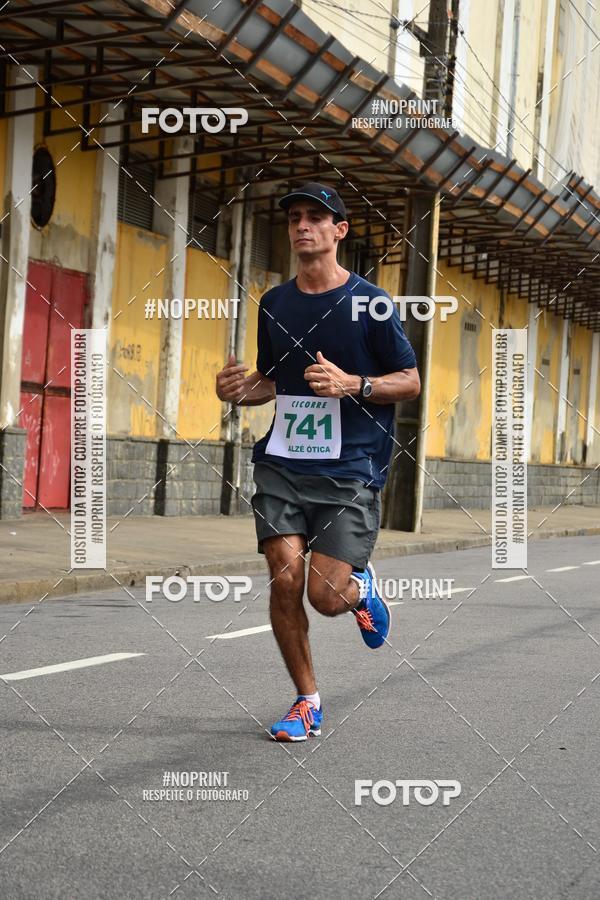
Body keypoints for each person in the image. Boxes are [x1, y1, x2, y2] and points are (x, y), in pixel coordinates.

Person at [215, 182, 420, 742]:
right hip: (283, 463)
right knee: (285, 579)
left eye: (315, 217)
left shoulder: (370, 302)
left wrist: (354, 384)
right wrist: (237, 390)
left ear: (339, 230)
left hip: (350, 469)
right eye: (295, 218)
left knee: (325, 597)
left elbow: (410, 380)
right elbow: (270, 381)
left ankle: (360, 592)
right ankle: (306, 701)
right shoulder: (274, 303)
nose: (303, 225)